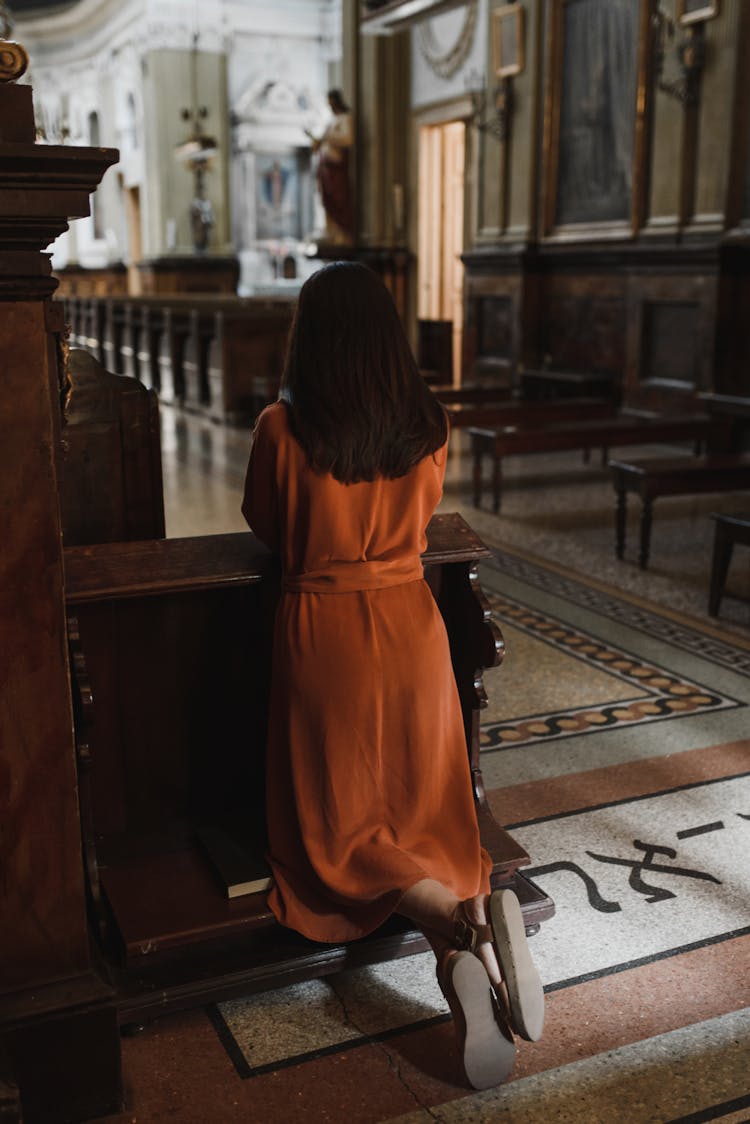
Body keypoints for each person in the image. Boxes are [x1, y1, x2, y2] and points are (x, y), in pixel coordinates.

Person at [242, 262, 544, 1090]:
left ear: (313, 336)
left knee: (335, 836)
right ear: (387, 335)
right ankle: (478, 924)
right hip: (412, 629)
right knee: (419, 806)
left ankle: (458, 920)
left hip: (324, 634)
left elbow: (265, 523)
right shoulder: (428, 423)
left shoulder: (281, 426)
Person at [305, 89, 354, 245]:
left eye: (331, 102)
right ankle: (331, 230)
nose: (330, 105)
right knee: (327, 199)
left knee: (338, 198)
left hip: (336, 166)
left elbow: (347, 139)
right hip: (326, 166)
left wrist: (326, 138)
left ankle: (341, 231)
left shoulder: (345, 118)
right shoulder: (332, 120)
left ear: (337, 101)